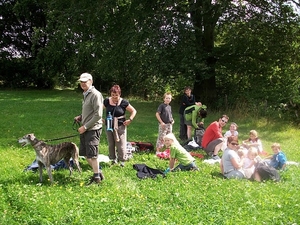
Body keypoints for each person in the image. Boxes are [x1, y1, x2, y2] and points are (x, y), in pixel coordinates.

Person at [74, 73, 104, 185]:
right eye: (81, 82)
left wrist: (85, 127)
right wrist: (81, 117)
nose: (83, 83)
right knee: (85, 154)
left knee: (93, 155)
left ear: (91, 81)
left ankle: (97, 179)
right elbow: (90, 111)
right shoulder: (86, 94)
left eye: (85, 81)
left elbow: (98, 115)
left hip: (92, 129)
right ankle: (98, 172)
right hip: (85, 128)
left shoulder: (95, 94)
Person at [103, 85, 137, 167]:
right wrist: (100, 118)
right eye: (113, 95)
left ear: (120, 94)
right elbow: (99, 109)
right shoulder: (107, 101)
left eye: (116, 95)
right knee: (111, 143)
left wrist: (130, 119)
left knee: (121, 144)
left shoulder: (124, 102)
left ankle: (122, 162)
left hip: (120, 125)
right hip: (109, 125)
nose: (114, 97)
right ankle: (113, 159)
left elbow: (134, 111)